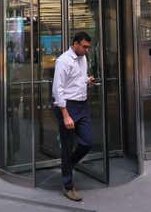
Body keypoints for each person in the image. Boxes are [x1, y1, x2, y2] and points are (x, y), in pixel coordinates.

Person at [52, 31, 95, 202]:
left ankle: (67, 165)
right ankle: (68, 186)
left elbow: (77, 79)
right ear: (75, 44)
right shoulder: (63, 61)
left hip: (82, 105)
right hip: (67, 106)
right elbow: (58, 89)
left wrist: (87, 80)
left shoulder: (83, 58)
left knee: (88, 142)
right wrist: (65, 115)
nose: (86, 50)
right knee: (67, 146)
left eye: (88, 47)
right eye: (84, 47)